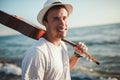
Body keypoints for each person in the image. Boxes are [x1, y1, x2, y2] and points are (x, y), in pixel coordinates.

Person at [21, 0, 88, 80]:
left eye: (64, 18)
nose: (63, 23)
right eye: (56, 18)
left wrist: (77, 55)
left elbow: (63, 71)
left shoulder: (62, 45)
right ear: (45, 22)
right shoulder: (37, 53)